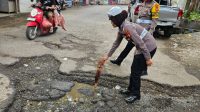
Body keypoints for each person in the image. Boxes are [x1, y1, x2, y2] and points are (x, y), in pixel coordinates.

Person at [99, 6, 157, 103]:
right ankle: (130, 90)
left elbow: (141, 43)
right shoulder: (121, 28)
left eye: (112, 20)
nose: (111, 22)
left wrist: (148, 58)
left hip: (148, 47)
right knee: (134, 69)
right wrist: (107, 56)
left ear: (117, 19)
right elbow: (116, 43)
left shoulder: (127, 27)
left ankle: (135, 94)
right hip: (142, 47)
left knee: (135, 71)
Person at [110, 0, 159, 66]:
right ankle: (119, 61)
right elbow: (138, 17)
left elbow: (154, 21)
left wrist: (150, 32)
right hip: (135, 31)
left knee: (140, 50)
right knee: (127, 47)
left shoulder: (155, 5)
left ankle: (138, 67)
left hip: (144, 33)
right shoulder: (143, 3)